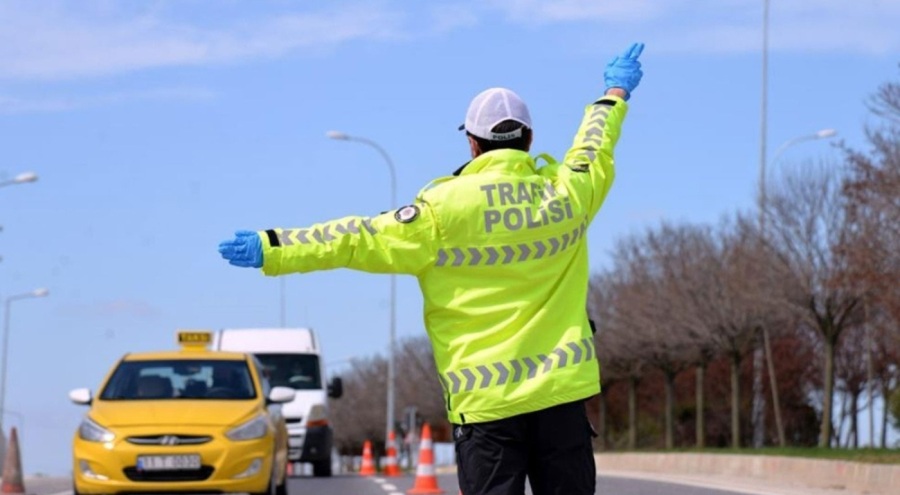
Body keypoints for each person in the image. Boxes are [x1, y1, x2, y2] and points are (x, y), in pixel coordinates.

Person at [218, 42, 645, 495]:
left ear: (472, 143)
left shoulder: (441, 212)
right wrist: (614, 92)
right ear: (530, 140)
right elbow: (592, 148)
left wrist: (275, 246)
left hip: (486, 408)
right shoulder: (566, 197)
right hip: (561, 400)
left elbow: (353, 239)